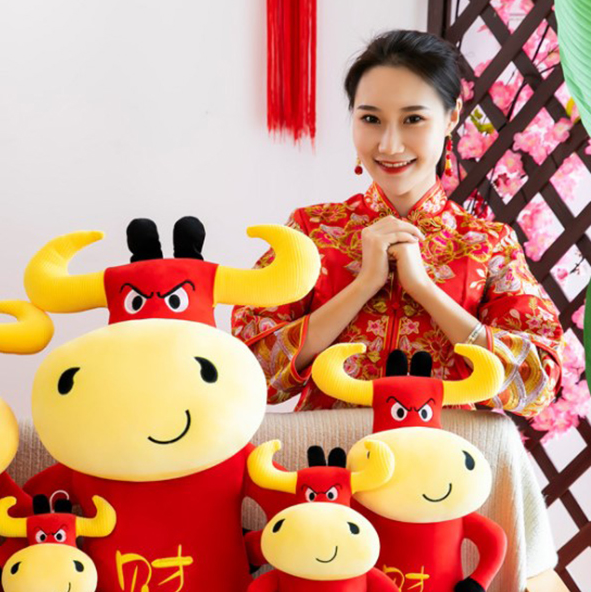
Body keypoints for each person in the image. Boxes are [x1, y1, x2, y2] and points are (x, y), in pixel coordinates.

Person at [231, 29, 563, 417]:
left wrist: (424, 289)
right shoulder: (311, 230)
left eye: (413, 119)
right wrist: (362, 285)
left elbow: (537, 386)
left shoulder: (488, 244)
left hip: (447, 455)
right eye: (371, 118)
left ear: (452, 117)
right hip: (329, 455)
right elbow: (244, 369)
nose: (389, 145)